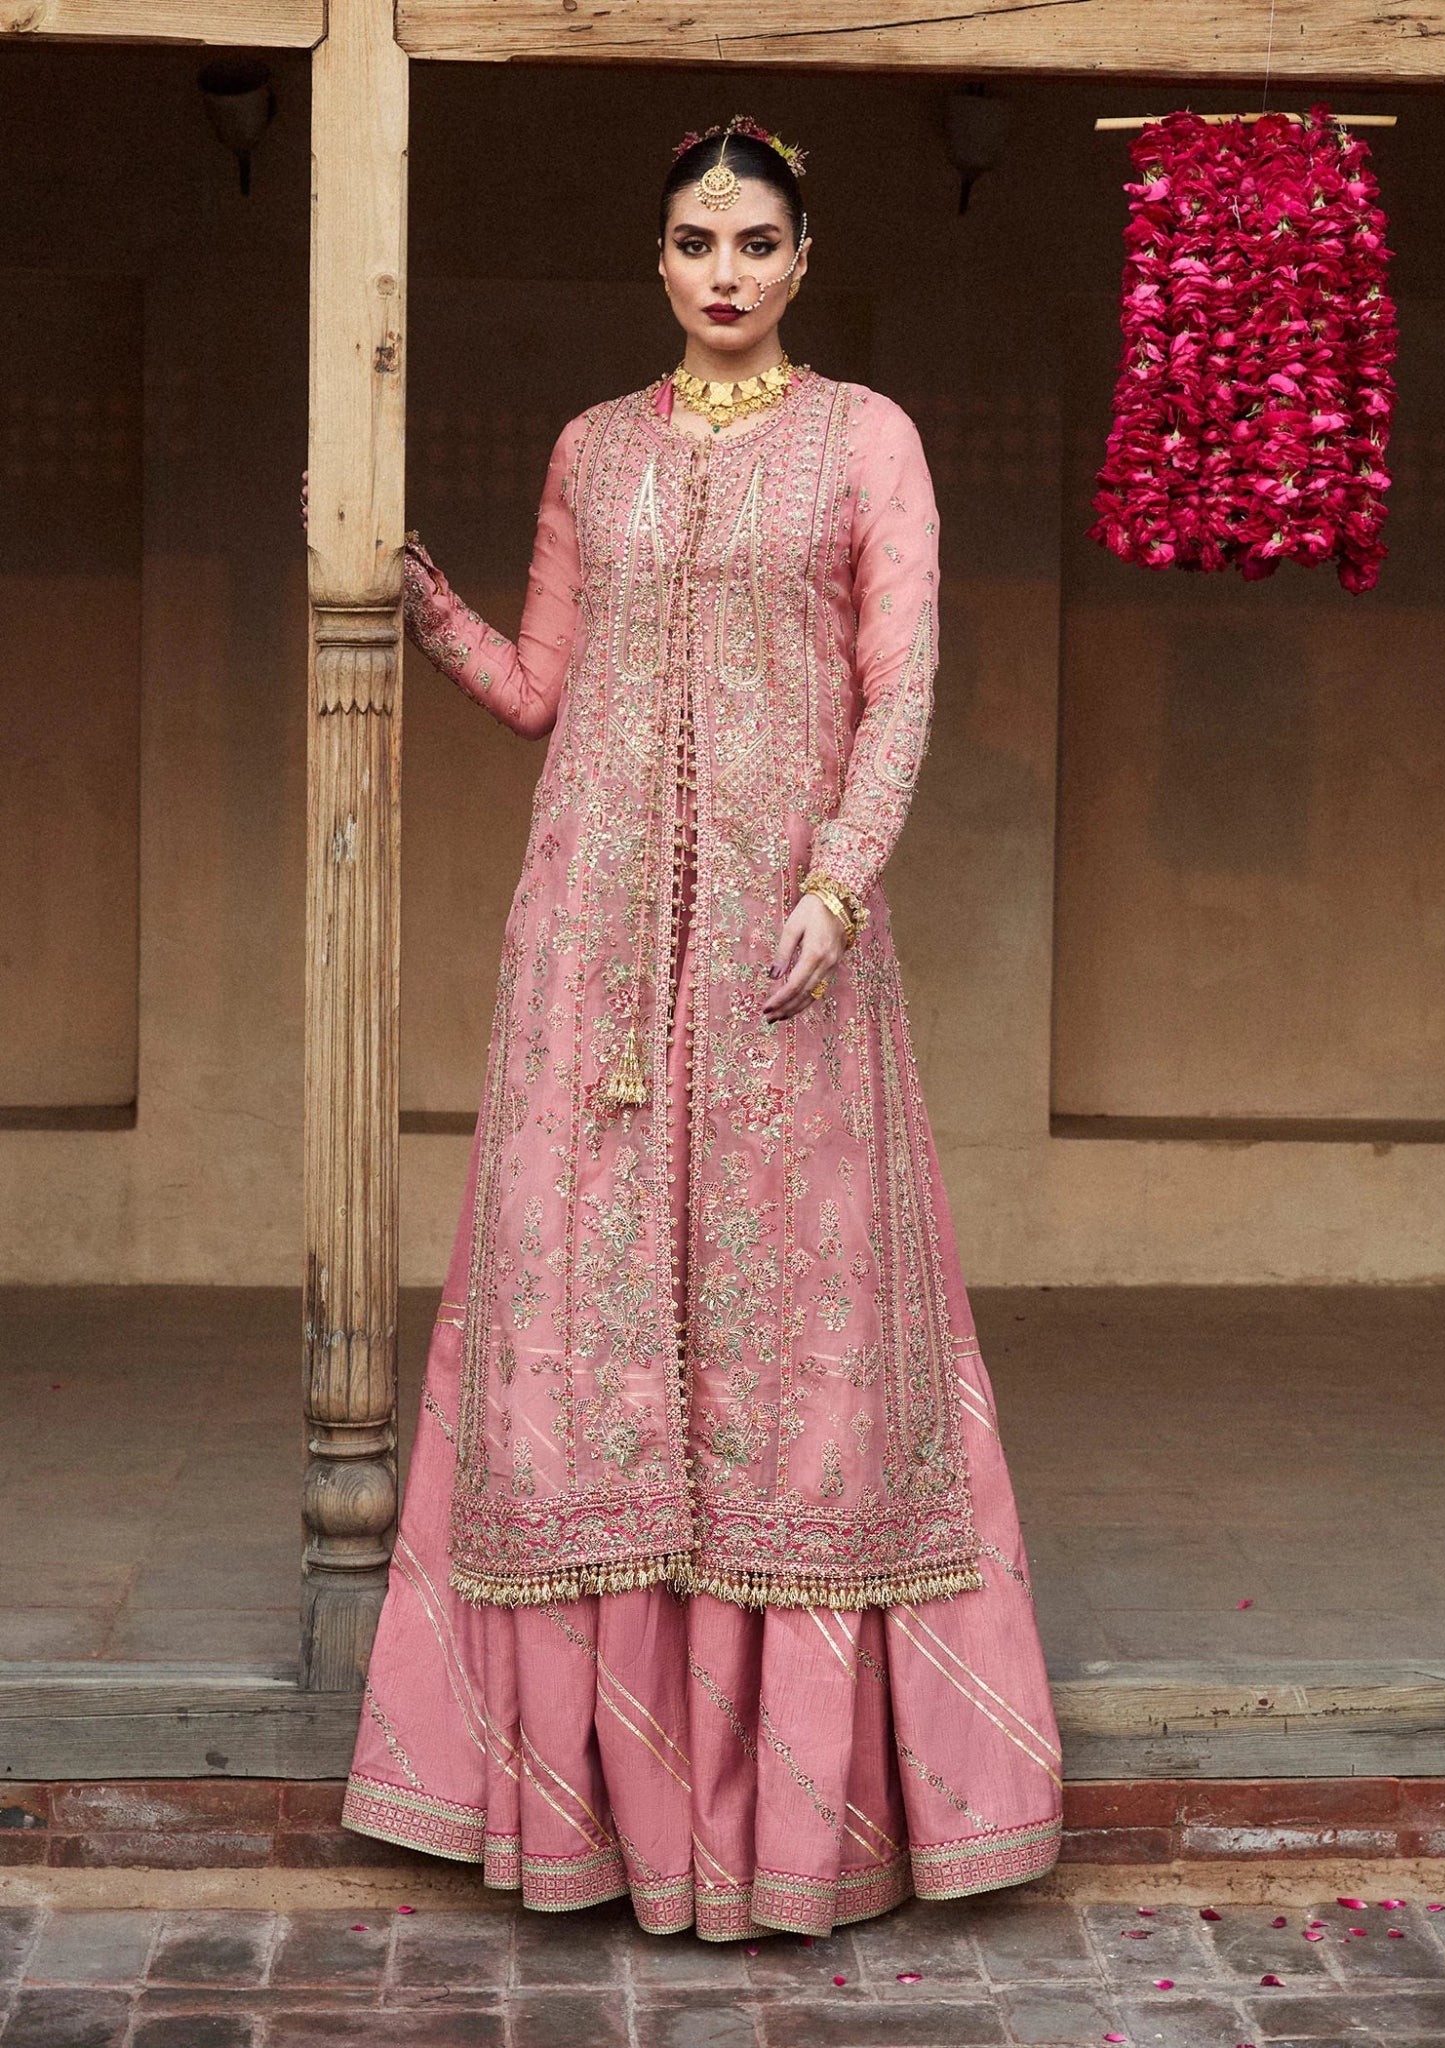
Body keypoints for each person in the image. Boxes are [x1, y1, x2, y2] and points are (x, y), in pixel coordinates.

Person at [337, 117, 1063, 1941]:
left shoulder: (867, 439)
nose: (721, 272)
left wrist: (834, 883)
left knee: (792, 1335)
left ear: (801, 259)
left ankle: (801, 1827)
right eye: (689, 242)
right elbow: (544, 693)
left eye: (752, 242)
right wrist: (417, 606)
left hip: (780, 956)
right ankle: (594, 1806)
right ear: (655, 261)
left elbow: (900, 691)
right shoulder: (596, 449)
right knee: (582, 1328)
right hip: (588, 955)